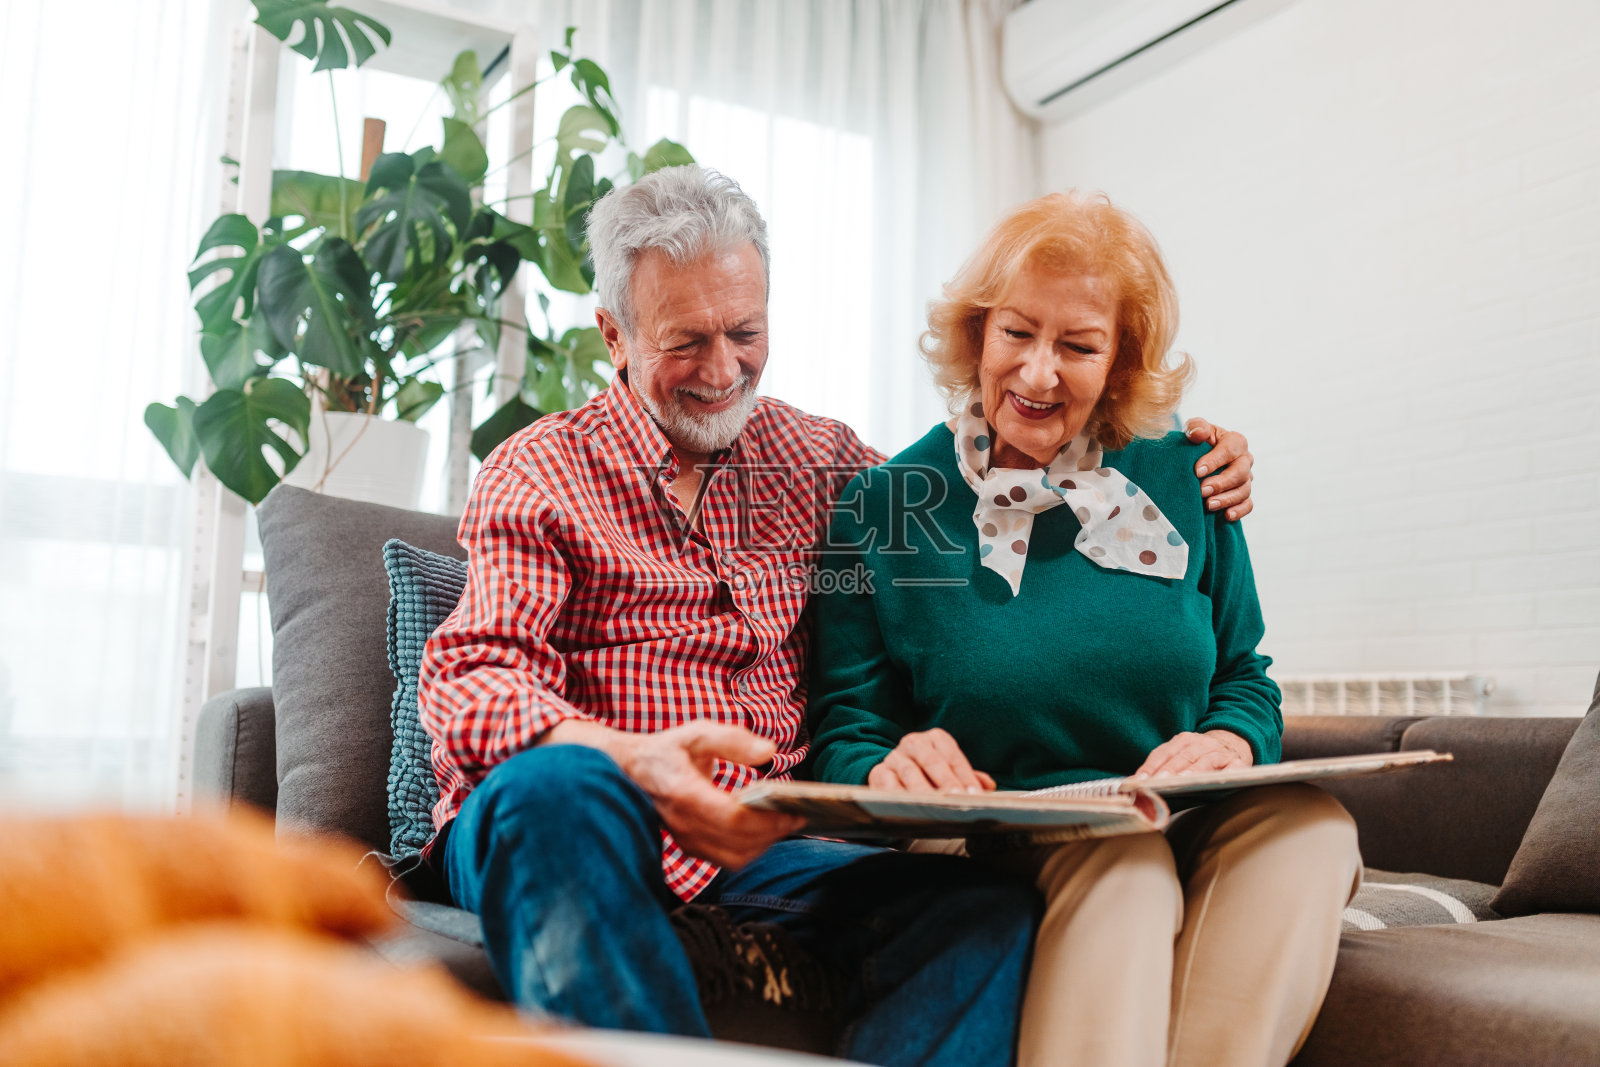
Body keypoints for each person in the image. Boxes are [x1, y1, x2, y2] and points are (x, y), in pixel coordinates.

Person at [416, 166, 1257, 1063]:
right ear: (613, 335)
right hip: (587, 813)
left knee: (980, 911)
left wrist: (1183, 459)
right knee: (558, 791)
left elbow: (988, 486)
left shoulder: (821, 461)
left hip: (766, 845)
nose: (722, 369)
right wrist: (637, 760)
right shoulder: (541, 469)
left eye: (745, 332)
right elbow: (471, 680)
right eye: (685, 341)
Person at [807, 191, 1362, 1067]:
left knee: (1313, 828)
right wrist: (888, 761)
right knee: (1126, 868)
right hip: (1009, 833)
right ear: (976, 333)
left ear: (1120, 363)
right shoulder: (884, 505)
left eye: (1078, 345)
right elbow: (845, 727)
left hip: (1176, 810)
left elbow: (1244, 674)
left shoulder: (1191, 474)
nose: (1037, 373)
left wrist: (1230, 738)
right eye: (1017, 333)